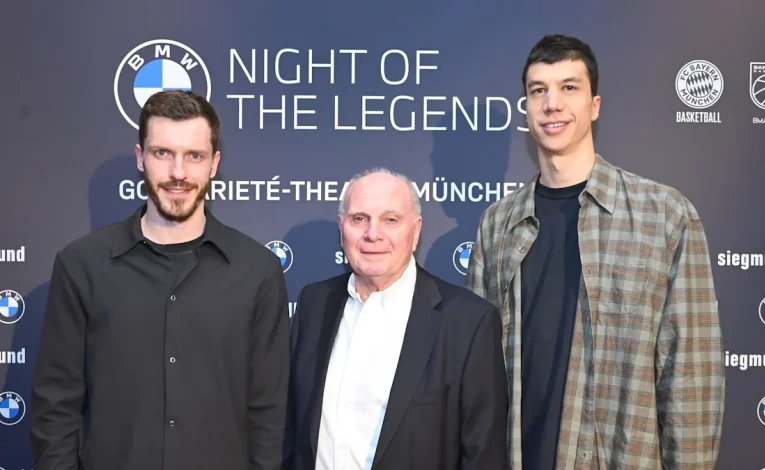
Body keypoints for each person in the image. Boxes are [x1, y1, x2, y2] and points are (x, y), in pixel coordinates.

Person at [466, 34, 724, 469]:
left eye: (569, 87)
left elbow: (691, 379)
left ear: (595, 105)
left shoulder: (664, 215)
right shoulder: (497, 224)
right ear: (527, 108)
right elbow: (476, 374)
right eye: (538, 90)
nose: (552, 103)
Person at [31, 90, 289, 469]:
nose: (178, 173)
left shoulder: (257, 271)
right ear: (141, 158)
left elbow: (268, 414)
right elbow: (55, 407)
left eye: (194, 156)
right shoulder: (81, 266)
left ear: (214, 164)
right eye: (162, 153)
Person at [285, 169, 508, 470]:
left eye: (390, 220)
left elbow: (484, 457)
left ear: (415, 231)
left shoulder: (468, 322)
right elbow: (290, 429)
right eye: (359, 219)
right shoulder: (314, 304)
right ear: (342, 228)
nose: (373, 234)